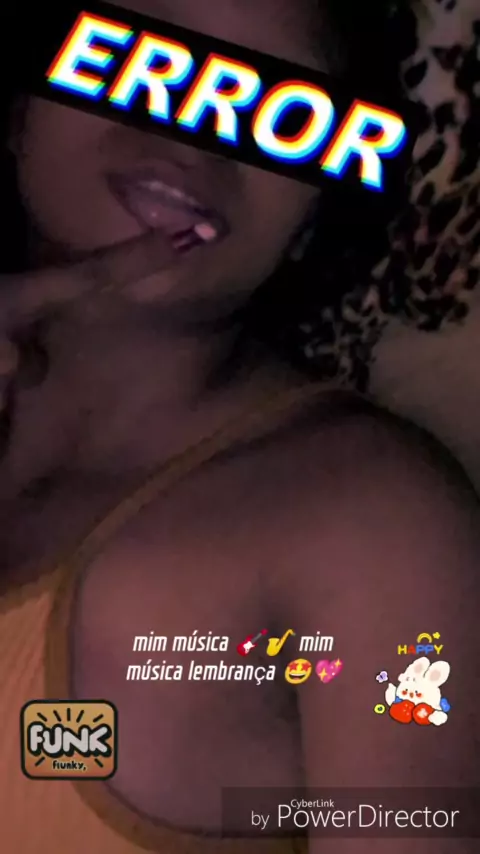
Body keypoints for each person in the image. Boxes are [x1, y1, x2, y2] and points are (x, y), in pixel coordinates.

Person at [0, 1, 478, 853]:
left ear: (313, 215)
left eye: (283, 112)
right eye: (140, 61)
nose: (196, 132)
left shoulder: (369, 527)